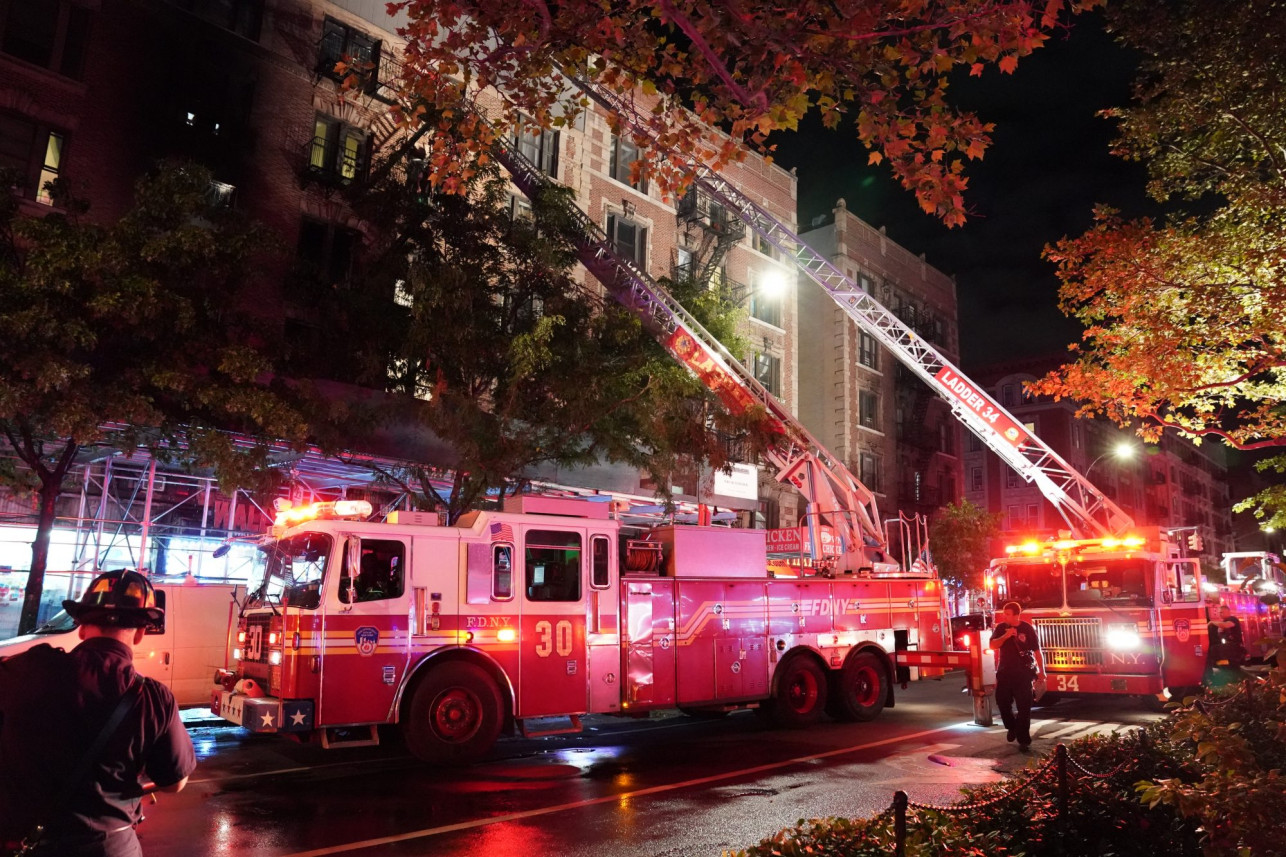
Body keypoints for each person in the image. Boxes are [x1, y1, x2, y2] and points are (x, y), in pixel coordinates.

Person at [0, 570, 197, 856]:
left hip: (24, 846)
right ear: (141, 633)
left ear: (81, 627)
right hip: (108, 847)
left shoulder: (24, 671)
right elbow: (174, 782)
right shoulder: (152, 697)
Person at [989, 600, 1045, 752]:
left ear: (1016, 615)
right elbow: (993, 645)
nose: (1004, 617)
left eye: (1007, 614)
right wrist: (1005, 636)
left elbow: (1037, 651)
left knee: (1024, 707)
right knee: (1002, 703)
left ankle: (1023, 737)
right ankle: (1011, 727)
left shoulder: (1027, 629)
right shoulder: (1001, 628)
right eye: (1004, 614)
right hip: (1004, 673)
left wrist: (1042, 671)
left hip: (1023, 675)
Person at [1211, 603, 1245, 667]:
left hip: (1235, 646)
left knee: (1213, 650)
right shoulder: (1224, 621)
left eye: (1222, 612)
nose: (1220, 614)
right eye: (1219, 613)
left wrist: (1212, 622)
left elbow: (1226, 625)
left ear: (1228, 612)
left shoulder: (1232, 619)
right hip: (1228, 647)